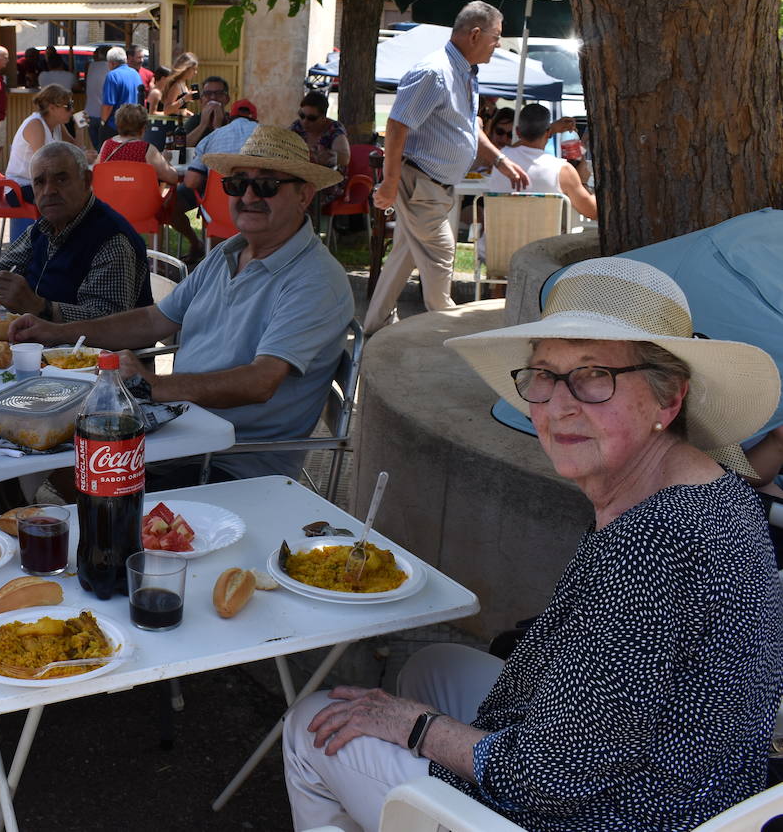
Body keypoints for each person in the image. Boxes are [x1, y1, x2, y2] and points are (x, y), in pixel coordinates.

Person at [282, 256, 783, 831]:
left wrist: (416, 728)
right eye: (545, 373)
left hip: (619, 815)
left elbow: (549, 777)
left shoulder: (654, 545)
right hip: (691, 784)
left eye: (596, 374)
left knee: (312, 723)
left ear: (667, 403)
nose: (558, 405)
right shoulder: (705, 487)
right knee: (432, 666)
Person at [10, 127, 350, 484]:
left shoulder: (314, 280)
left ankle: (97, 532)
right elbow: (155, 319)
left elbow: (261, 381)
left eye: (266, 185)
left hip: (228, 462)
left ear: (303, 195)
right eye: (237, 184)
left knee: (63, 461)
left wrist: (152, 385)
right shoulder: (229, 252)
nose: (248, 195)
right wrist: (57, 331)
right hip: (179, 433)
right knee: (26, 434)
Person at [363, 1, 530, 336]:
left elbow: (469, 128)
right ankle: (451, 338)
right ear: (475, 34)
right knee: (441, 260)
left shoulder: (463, 72)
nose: (498, 45)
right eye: (496, 38)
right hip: (422, 184)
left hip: (430, 187)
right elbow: (396, 126)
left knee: (402, 260)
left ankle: (372, 329)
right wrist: (390, 183)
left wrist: (499, 159)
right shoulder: (435, 72)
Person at [0, 141, 153, 322]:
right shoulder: (44, 226)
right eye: (40, 182)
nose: (49, 190)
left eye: (61, 179)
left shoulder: (111, 239)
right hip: (38, 341)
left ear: (87, 181)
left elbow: (108, 322)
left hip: (91, 349)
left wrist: (39, 307)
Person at [176, 99, 260, 259]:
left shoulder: (213, 136)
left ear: (229, 117)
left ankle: (212, 258)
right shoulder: (266, 135)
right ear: (256, 119)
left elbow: (191, 182)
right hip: (257, 213)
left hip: (218, 214)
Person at [486, 103, 598, 220]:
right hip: (543, 238)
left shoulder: (500, 159)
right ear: (548, 133)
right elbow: (592, 212)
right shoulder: (562, 170)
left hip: (498, 237)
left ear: (518, 132)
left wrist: (552, 128)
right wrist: (585, 184)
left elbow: (514, 147)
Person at [5, 84, 79, 206]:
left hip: (41, 184)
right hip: (20, 188)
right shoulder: (36, 125)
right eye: (68, 106)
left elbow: (76, 150)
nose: (72, 110)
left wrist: (80, 129)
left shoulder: (57, 124)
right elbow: (42, 165)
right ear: (52, 108)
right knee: (69, 198)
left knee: (81, 193)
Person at [97, 104, 179, 187]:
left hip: (110, 198)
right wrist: (167, 161)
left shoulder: (106, 145)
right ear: (143, 127)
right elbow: (173, 178)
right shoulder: (147, 150)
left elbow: (96, 171)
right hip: (140, 199)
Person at [100, 46, 143, 136]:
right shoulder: (135, 74)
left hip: (116, 126)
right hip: (134, 124)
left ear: (112, 63)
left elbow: (108, 105)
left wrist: (103, 122)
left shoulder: (112, 75)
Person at [148, 52, 198, 116]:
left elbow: (180, 109)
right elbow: (167, 110)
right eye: (193, 69)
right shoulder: (176, 85)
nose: (195, 72)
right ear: (186, 69)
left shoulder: (183, 84)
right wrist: (184, 99)